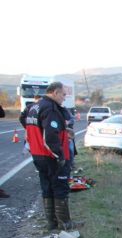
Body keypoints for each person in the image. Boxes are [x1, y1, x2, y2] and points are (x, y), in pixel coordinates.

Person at [24, 82, 81, 230]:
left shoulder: (34, 107)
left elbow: (24, 120)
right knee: (60, 187)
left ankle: (52, 223)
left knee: (47, 187)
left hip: (38, 154)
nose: (64, 98)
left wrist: (35, 135)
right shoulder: (51, 108)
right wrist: (59, 156)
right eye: (63, 94)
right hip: (51, 155)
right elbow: (50, 136)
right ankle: (64, 223)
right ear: (55, 92)